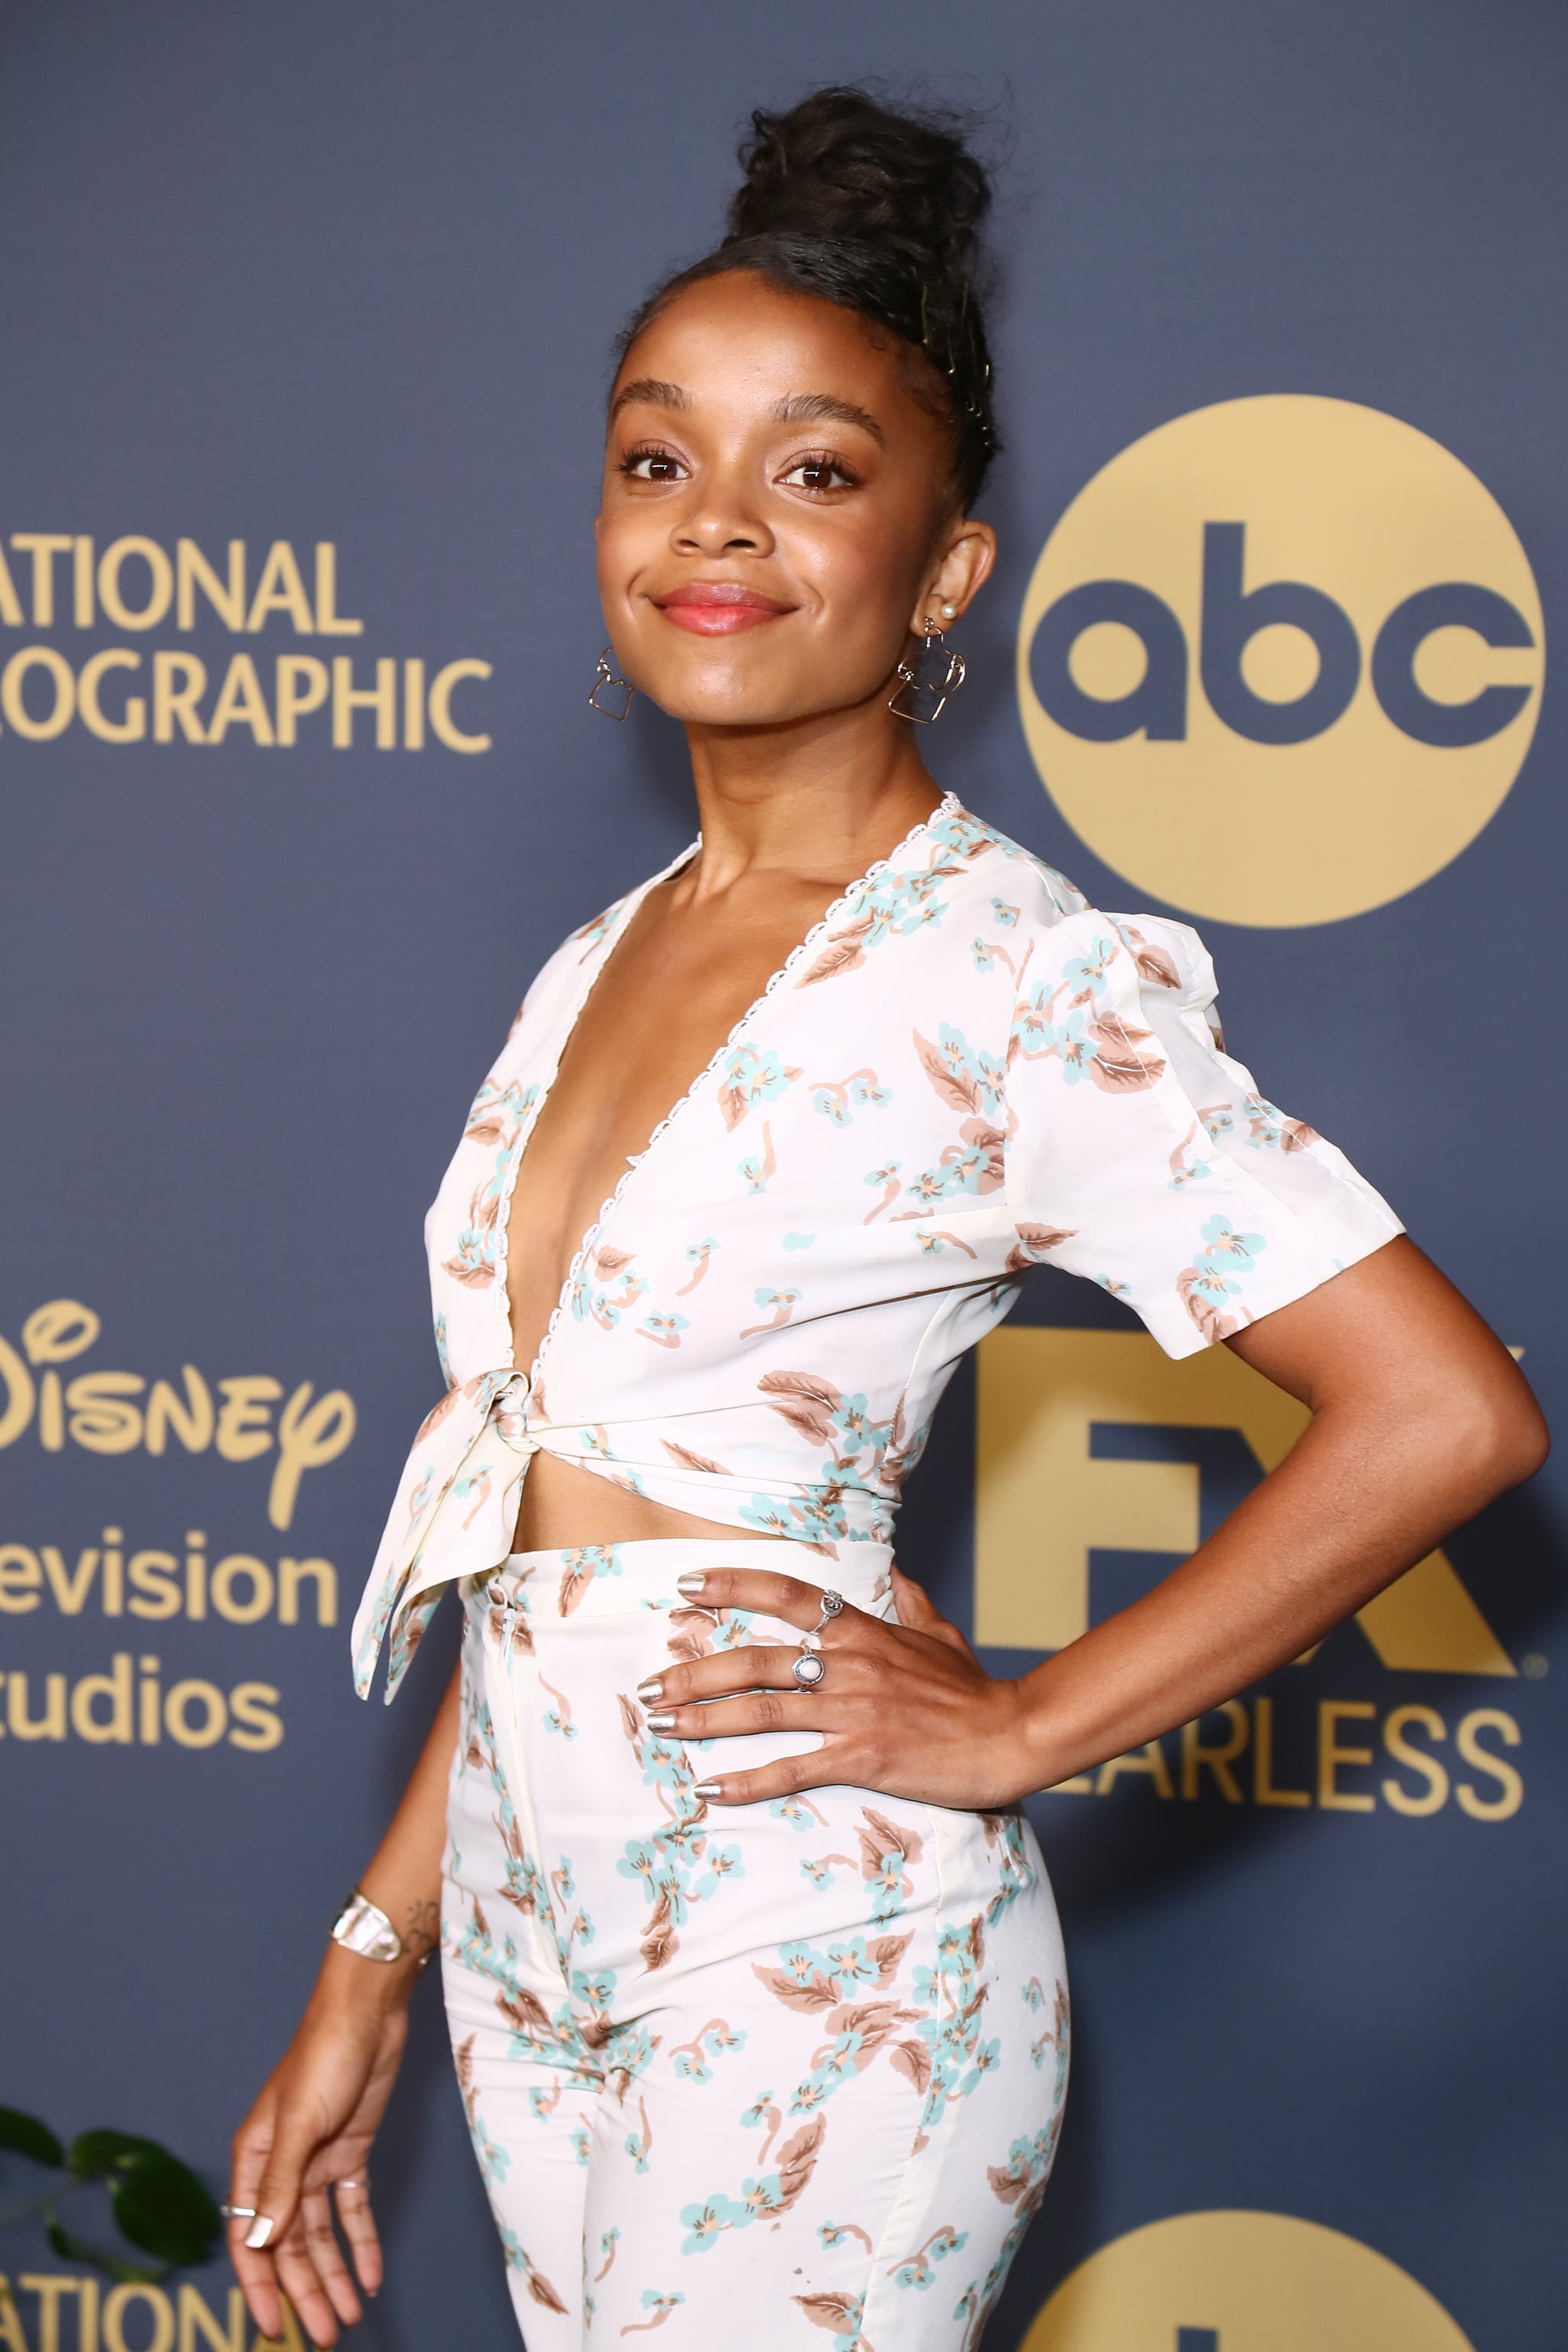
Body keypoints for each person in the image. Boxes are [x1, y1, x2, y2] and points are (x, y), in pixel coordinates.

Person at [227, 86, 1547, 2352]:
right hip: (537, 1975)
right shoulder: (605, 953)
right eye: (658, 457)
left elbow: (1443, 1413)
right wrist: (373, 1956)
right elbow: (559, 1531)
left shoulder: (1011, 978)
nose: (713, 525)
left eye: (815, 471)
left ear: (949, 570)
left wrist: (1023, 1730)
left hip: (818, 1974)